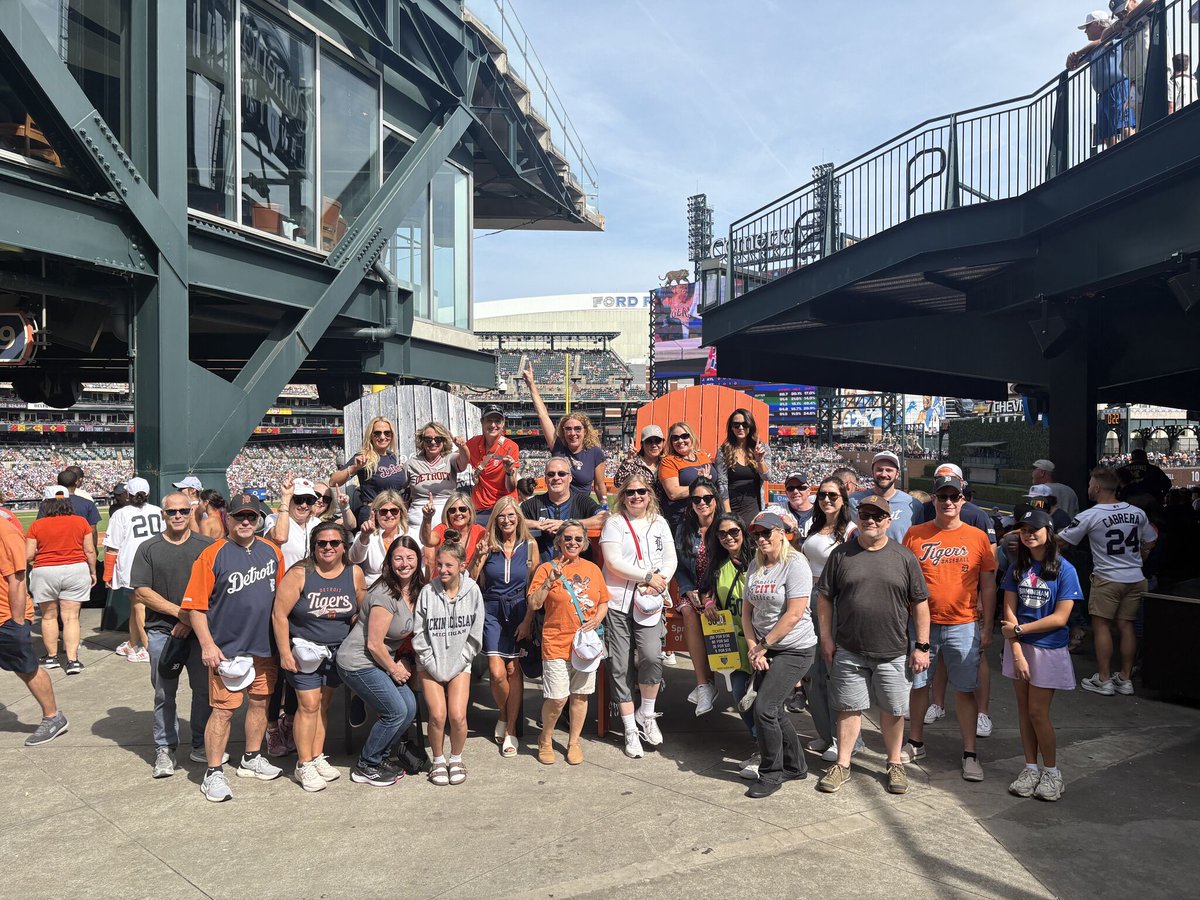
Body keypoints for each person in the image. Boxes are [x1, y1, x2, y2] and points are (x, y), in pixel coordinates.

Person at [815, 494, 930, 796]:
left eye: (878, 516)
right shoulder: (841, 555)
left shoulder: (904, 557)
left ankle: (894, 763)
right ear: (858, 517)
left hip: (892, 649)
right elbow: (825, 598)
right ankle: (843, 762)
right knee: (848, 709)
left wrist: (922, 645)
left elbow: (920, 603)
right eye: (865, 514)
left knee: (892, 711)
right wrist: (826, 638)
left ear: (888, 521)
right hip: (849, 648)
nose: (871, 520)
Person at [181, 495, 286, 802]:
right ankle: (213, 772)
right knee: (224, 711)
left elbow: (280, 602)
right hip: (227, 650)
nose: (245, 522)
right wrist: (208, 645)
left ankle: (251, 757)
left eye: (251, 517)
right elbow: (195, 608)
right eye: (240, 516)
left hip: (264, 647)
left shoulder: (272, 553)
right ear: (228, 518)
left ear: (258, 520)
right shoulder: (213, 554)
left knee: (259, 704)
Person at [901, 474, 997, 782]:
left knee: (966, 690)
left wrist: (987, 627)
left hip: (963, 623)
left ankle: (970, 752)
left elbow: (988, 584)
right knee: (918, 686)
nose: (948, 502)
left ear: (962, 500)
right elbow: (904, 581)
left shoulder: (977, 536)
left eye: (953, 497)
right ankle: (916, 742)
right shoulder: (915, 534)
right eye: (942, 496)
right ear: (934, 500)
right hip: (923, 625)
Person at [130, 493, 218, 777]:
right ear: (163, 515)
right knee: (164, 694)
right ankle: (165, 748)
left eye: (182, 511)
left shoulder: (206, 546)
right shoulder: (149, 547)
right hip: (161, 632)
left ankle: (201, 743)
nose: (177, 516)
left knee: (204, 692)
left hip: (199, 634)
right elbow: (142, 591)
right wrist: (181, 613)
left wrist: (191, 621)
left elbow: (217, 590)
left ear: (190, 512)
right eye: (172, 512)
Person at [273, 523, 365, 792]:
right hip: (304, 649)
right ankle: (303, 764)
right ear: (313, 546)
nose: (328, 548)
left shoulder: (353, 573)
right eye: (322, 543)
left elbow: (362, 608)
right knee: (308, 705)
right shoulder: (300, 573)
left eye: (334, 543)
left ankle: (316, 756)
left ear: (343, 547)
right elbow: (279, 614)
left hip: (337, 651)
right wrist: (284, 652)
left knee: (323, 704)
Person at [1000, 508, 1082, 803]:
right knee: (1023, 711)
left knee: (1038, 712)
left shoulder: (1065, 570)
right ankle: (1030, 768)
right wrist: (1017, 648)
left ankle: (1052, 772)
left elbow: (1061, 618)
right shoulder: (1016, 569)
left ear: (1048, 532)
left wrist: (1019, 630)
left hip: (1048, 649)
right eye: (1023, 529)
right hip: (1020, 648)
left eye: (1034, 528)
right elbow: (1008, 613)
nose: (1028, 534)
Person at [336, 534, 426, 788]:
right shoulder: (385, 593)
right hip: (357, 662)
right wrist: (395, 669)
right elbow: (374, 643)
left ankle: (382, 757)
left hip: (379, 661)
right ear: (389, 561)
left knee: (408, 707)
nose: (404, 563)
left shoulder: (415, 590)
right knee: (395, 711)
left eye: (410, 557)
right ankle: (366, 765)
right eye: (398, 558)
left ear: (418, 560)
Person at [1058, 467, 1157, 696]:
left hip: (1108, 577)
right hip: (1135, 577)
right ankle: (1125, 677)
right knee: (1126, 625)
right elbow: (1150, 541)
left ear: (1098, 487)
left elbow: (1062, 541)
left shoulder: (1090, 515)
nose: (1089, 487)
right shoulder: (1137, 512)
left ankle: (1104, 679)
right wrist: (1137, 559)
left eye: (1091, 483)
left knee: (1101, 625)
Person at [599, 475, 677, 759]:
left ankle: (647, 713)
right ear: (623, 496)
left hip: (649, 601)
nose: (636, 496)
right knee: (619, 665)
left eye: (641, 491)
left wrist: (659, 580)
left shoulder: (659, 522)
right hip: (619, 600)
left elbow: (670, 558)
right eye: (630, 492)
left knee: (651, 655)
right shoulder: (615, 523)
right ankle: (630, 728)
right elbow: (613, 561)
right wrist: (647, 576)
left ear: (649, 494)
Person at [741, 510, 816, 799]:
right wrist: (752, 647)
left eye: (766, 532)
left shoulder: (795, 563)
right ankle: (796, 765)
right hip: (765, 647)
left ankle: (772, 773)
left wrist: (763, 645)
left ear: (781, 533)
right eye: (756, 534)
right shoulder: (755, 565)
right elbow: (747, 613)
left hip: (795, 648)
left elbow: (795, 614)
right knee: (768, 708)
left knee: (764, 708)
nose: (761, 539)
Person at [529, 522, 609, 766]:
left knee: (581, 696)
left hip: (585, 646)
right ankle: (546, 738)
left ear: (584, 543)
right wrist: (548, 581)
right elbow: (534, 604)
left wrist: (597, 619)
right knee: (558, 697)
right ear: (559, 542)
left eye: (577, 539)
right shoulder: (546, 568)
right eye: (568, 538)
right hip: (556, 641)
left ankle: (574, 742)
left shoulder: (593, 570)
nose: (573, 543)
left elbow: (604, 601)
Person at [470, 496, 538, 758]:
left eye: (511, 516)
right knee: (497, 672)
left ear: (518, 518)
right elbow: (473, 579)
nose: (507, 520)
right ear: (495, 519)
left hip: (520, 610)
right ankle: (502, 712)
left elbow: (533, 587)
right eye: (502, 516)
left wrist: (528, 620)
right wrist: (479, 555)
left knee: (513, 669)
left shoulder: (529, 545)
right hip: (492, 609)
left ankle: (510, 729)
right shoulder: (488, 544)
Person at [412, 542, 483, 786]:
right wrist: (431, 663)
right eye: (439, 564)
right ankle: (438, 759)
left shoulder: (473, 591)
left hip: (459, 662)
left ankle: (456, 758)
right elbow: (419, 634)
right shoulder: (427, 593)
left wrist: (461, 661)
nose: (442, 569)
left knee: (457, 716)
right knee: (438, 716)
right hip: (430, 662)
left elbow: (475, 634)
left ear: (462, 566)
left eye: (449, 565)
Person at [799, 478, 859, 763]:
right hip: (808, 598)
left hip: (834, 601)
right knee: (812, 671)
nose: (826, 499)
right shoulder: (814, 527)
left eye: (832, 495)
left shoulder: (850, 531)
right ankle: (825, 732)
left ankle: (845, 738)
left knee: (836, 671)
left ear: (843, 499)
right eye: (822, 494)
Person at [0, 507, 68, 746]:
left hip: (6, 615)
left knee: (26, 667)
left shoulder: (4, 531)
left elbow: (17, 579)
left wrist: (17, 623)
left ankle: (53, 717)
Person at [697, 513, 756, 776]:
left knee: (765, 702)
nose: (728, 537)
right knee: (741, 697)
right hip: (736, 643)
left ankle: (770, 751)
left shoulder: (758, 560)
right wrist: (708, 603)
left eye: (734, 532)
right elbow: (704, 588)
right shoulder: (718, 564)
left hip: (763, 640)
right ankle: (762, 746)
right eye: (722, 534)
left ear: (743, 532)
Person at [26, 489, 96, 674]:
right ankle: (72, 660)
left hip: (45, 571)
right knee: (71, 617)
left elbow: (29, 554)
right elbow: (89, 550)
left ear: (46, 503)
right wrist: (93, 571)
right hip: (76, 569)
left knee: (48, 616)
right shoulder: (80, 522)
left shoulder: (37, 525)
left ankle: (51, 657)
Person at [673, 476, 722, 716]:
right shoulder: (684, 528)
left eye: (707, 498)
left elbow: (729, 564)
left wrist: (710, 594)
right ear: (691, 504)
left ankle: (718, 681)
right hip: (691, 590)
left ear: (715, 500)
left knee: (712, 613)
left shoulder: (725, 526)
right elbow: (679, 566)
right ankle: (703, 684)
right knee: (689, 612)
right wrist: (687, 590)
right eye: (696, 499)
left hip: (717, 590)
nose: (702, 503)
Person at [524, 365, 608, 505]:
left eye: (577, 429)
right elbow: (543, 415)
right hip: (555, 506)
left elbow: (599, 486)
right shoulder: (558, 447)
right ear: (563, 431)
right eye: (568, 429)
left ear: (585, 431)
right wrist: (531, 385)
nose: (572, 433)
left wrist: (605, 506)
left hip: (580, 508)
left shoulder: (595, 453)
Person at [105, 477, 164, 665]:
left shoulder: (121, 514)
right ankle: (133, 642)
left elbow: (112, 547)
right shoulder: (158, 511)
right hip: (156, 563)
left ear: (128, 494)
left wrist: (107, 574)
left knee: (139, 606)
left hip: (133, 565)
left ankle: (148, 648)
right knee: (136, 606)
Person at [1067, 9, 1132, 148]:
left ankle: (1133, 152)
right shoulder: (1092, 50)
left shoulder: (1115, 32)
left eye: (1087, 27)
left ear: (1097, 24)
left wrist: (1079, 52)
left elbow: (1102, 40)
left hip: (1118, 87)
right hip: (1103, 94)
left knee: (1124, 125)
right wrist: (1071, 59)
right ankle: (1115, 161)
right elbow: (1074, 66)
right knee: (1108, 134)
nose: (1085, 32)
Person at [520, 459, 605, 562]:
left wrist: (566, 524)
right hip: (541, 571)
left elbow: (604, 518)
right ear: (546, 479)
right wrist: (537, 524)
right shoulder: (533, 504)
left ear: (570, 478)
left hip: (576, 571)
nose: (556, 478)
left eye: (561, 474)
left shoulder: (581, 501)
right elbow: (512, 520)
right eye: (551, 474)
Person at [332, 416, 408, 525]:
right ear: (370, 436)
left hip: (394, 514)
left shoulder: (393, 457)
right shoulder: (364, 456)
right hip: (373, 514)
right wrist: (354, 468)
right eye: (377, 433)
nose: (382, 437)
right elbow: (333, 481)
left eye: (387, 433)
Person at [406, 421, 468, 536]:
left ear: (444, 441)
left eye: (438, 439)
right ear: (422, 442)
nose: (433, 442)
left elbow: (464, 462)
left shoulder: (450, 459)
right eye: (428, 440)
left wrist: (462, 447)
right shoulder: (411, 463)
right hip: (417, 521)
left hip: (447, 519)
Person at [463, 405, 519, 525]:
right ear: (482, 422)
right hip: (480, 509)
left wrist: (509, 472)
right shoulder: (473, 443)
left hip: (503, 508)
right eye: (489, 420)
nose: (493, 425)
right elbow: (457, 460)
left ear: (503, 423)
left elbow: (511, 487)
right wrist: (460, 446)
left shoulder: (511, 446)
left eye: (497, 421)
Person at [850, 451, 923, 541]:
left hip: (899, 554)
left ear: (897, 474)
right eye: (879, 470)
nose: (884, 474)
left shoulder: (913, 505)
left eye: (889, 470)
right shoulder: (853, 501)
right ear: (872, 472)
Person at [714, 408, 770, 523]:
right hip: (731, 507)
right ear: (731, 427)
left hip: (754, 507)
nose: (740, 428)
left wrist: (760, 460)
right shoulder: (723, 451)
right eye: (736, 425)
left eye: (745, 424)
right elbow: (722, 484)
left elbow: (767, 477)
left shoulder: (762, 448)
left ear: (751, 426)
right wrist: (728, 515)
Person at [657, 421, 714, 531]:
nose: (680, 441)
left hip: (708, 516)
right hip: (684, 520)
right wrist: (700, 483)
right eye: (675, 438)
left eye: (684, 436)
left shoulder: (702, 455)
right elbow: (673, 493)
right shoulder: (668, 462)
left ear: (691, 437)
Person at [919, 463, 996, 543]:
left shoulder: (977, 515)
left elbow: (990, 548)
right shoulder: (923, 510)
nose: (948, 502)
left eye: (954, 497)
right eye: (940, 478)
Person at [421, 493, 488, 574]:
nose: (457, 513)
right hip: (442, 582)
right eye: (452, 510)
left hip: (469, 582)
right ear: (447, 514)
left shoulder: (480, 532)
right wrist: (427, 518)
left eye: (462, 509)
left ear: (470, 512)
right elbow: (427, 541)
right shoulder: (442, 529)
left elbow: (475, 574)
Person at [349, 491, 408, 580]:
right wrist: (364, 536)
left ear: (400, 513)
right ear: (375, 514)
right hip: (374, 588)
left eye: (394, 511)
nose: (389, 515)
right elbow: (354, 558)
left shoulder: (410, 534)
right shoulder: (366, 535)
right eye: (383, 511)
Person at [269, 475, 323, 568]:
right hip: (282, 580)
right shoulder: (274, 519)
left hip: (308, 579)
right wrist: (285, 497)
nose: (304, 505)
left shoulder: (316, 523)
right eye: (299, 499)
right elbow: (280, 538)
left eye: (309, 500)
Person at [611, 425, 666, 509]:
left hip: (664, 513)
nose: (654, 445)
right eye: (649, 441)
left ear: (663, 443)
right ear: (642, 444)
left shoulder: (666, 463)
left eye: (657, 441)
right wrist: (628, 462)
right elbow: (618, 483)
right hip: (638, 512)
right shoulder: (633, 462)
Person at [782, 472, 814, 541]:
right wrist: (781, 517)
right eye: (790, 488)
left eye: (801, 487)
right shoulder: (779, 508)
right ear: (786, 493)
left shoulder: (821, 512)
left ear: (809, 491)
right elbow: (758, 519)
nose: (795, 491)